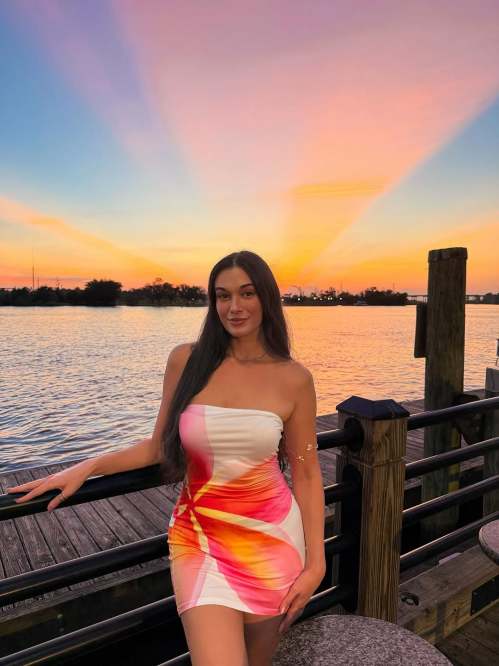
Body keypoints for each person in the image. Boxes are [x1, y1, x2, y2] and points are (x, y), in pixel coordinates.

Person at [7, 250, 326, 666]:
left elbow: (306, 473)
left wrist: (316, 565)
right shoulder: (186, 361)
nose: (234, 307)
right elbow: (159, 447)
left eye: (247, 293)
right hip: (199, 539)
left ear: (267, 297)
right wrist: (88, 466)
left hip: (273, 541)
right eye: (223, 295)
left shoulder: (294, 378)